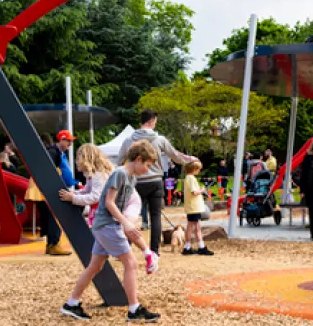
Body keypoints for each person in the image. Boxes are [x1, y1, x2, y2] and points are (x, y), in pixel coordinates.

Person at [60, 140, 160, 322]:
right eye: (147, 165)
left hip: (103, 226)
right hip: (108, 225)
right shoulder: (120, 173)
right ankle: (134, 309)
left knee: (95, 266)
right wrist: (125, 223)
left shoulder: (131, 177)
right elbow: (108, 202)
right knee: (131, 264)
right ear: (138, 159)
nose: (148, 169)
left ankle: (71, 304)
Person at [117, 109, 196, 256]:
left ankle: (125, 249)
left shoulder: (129, 140)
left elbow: (120, 159)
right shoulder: (160, 140)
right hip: (155, 182)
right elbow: (176, 156)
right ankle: (154, 250)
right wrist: (191, 159)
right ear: (152, 121)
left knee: (130, 215)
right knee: (155, 216)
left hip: (135, 182)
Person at [182, 160, 214, 256]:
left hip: (190, 206)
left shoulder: (187, 178)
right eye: (198, 169)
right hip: (194, 207)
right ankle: (201, 246)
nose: (199, 171)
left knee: (190, 226)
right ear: (194, 169)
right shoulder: (191, 178)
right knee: (197, 227)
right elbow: (194, 192)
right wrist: (201, 190)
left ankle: (187, 247)